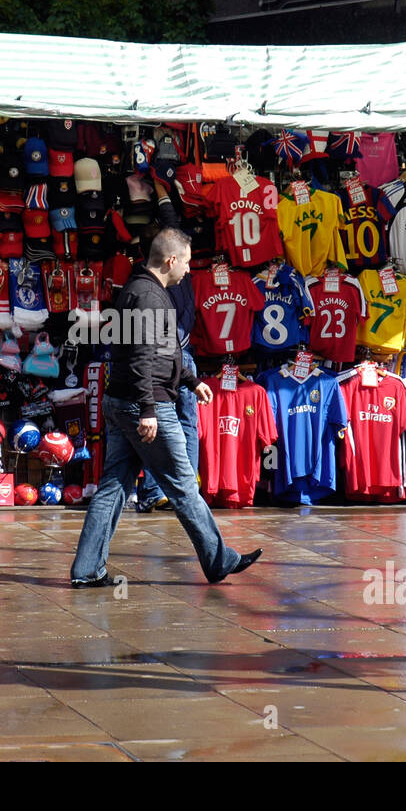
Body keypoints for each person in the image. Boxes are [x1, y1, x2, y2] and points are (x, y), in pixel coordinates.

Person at [70, 227, 263, 587]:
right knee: (183, 485)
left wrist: (191, 381)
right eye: (187, 262)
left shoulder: (135, 290)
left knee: (113, 486)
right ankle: (219, 559)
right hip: (148, 405)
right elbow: (143, 358)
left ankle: (86, 570)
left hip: (123, 400)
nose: (189, 270)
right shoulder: (150, 297)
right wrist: (147, 410)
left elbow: (160, 350)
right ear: (171, 260)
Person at [136, 179, 197, 513]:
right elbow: (171, 218)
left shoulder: (145, 279)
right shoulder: (162, 279)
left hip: (172, 355)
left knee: (163, 423)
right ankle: (186, 491)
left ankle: (160, 490)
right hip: (179, 354)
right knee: (181, 422)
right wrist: (160, 187)